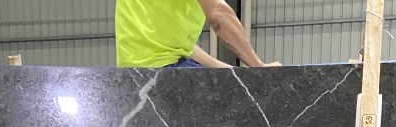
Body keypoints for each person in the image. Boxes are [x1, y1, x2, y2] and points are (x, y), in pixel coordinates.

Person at [115, 0, 280, 69]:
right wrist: (259, 68)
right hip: (168, 71)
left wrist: (229, 70)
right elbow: (218, 15)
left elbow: (179, 46)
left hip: (131, 75)